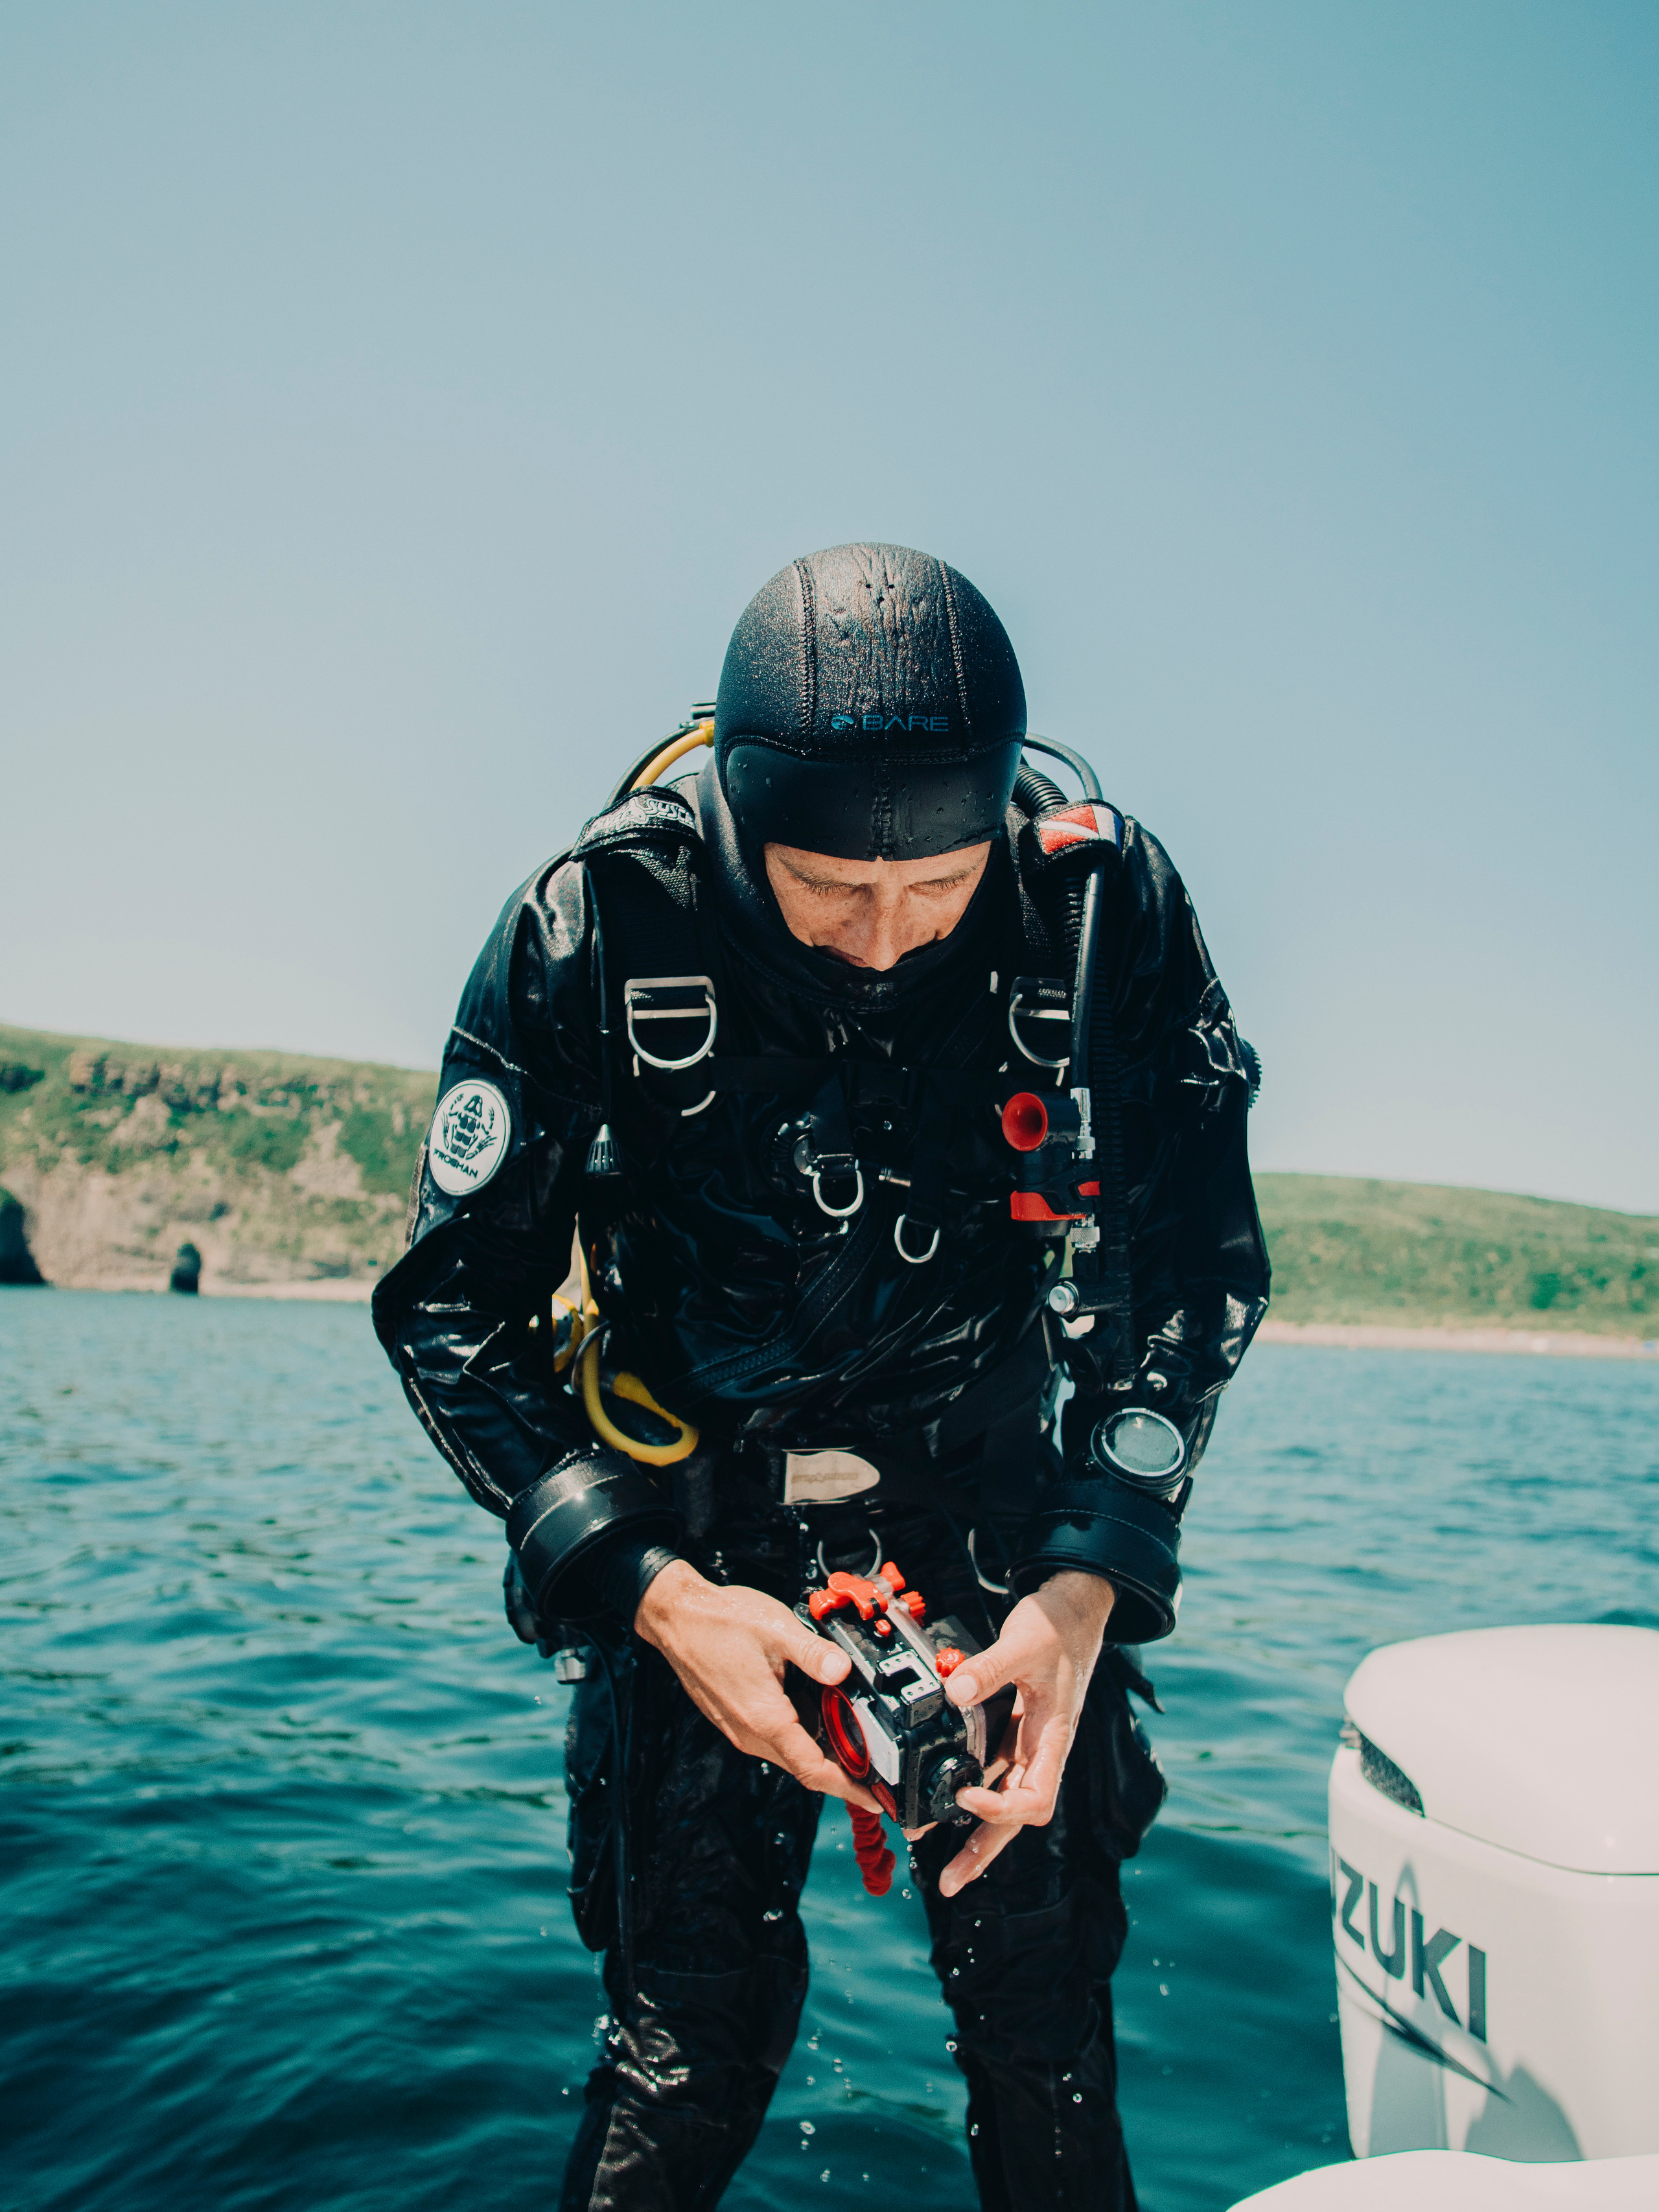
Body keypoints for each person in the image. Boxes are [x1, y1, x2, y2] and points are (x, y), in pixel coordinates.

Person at [373, 542, 1270, 2212]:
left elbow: (1196, 1278)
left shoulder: (1099, 912)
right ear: (729, 825)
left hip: (998, 1527)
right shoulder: (594, 921)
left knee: (1044, 2019)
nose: (883, 939)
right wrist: (648, 1596)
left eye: (934, 892)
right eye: (827, 889)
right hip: (697, 1540)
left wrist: (1090, 1580)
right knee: (689, 2033)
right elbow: (449, 1315)